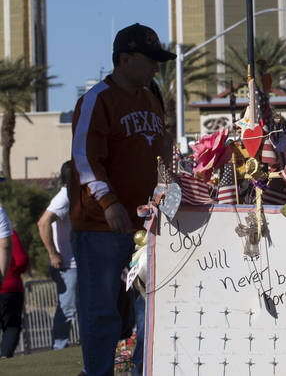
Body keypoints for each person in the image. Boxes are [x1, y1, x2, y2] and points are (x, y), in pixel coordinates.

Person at [71, 23, 174, 375]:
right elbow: (84, 158)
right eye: (151, 60)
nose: (156, 67)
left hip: (146, 224)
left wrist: (169, 193)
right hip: (101, 225)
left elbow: (162, 153)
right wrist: (109, 202)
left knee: (151, 305)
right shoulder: (97, 98)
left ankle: (144, 370)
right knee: (101, 310)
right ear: (126, 59)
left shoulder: (152, 97)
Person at [38, 161, 79, 349]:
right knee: (67, 308)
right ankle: (59, 347)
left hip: (74, 264)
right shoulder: (64, 198)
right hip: (68, 266)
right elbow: (43, 223)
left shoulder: (72, 195)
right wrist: (53, 254)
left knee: (75, 307)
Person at [0, 227, 28, 358]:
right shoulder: (8, 232)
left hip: (9, 287)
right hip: (9, 287)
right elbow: (21, 260)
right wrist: (14, 271)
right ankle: (5, 356)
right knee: (12, 325)